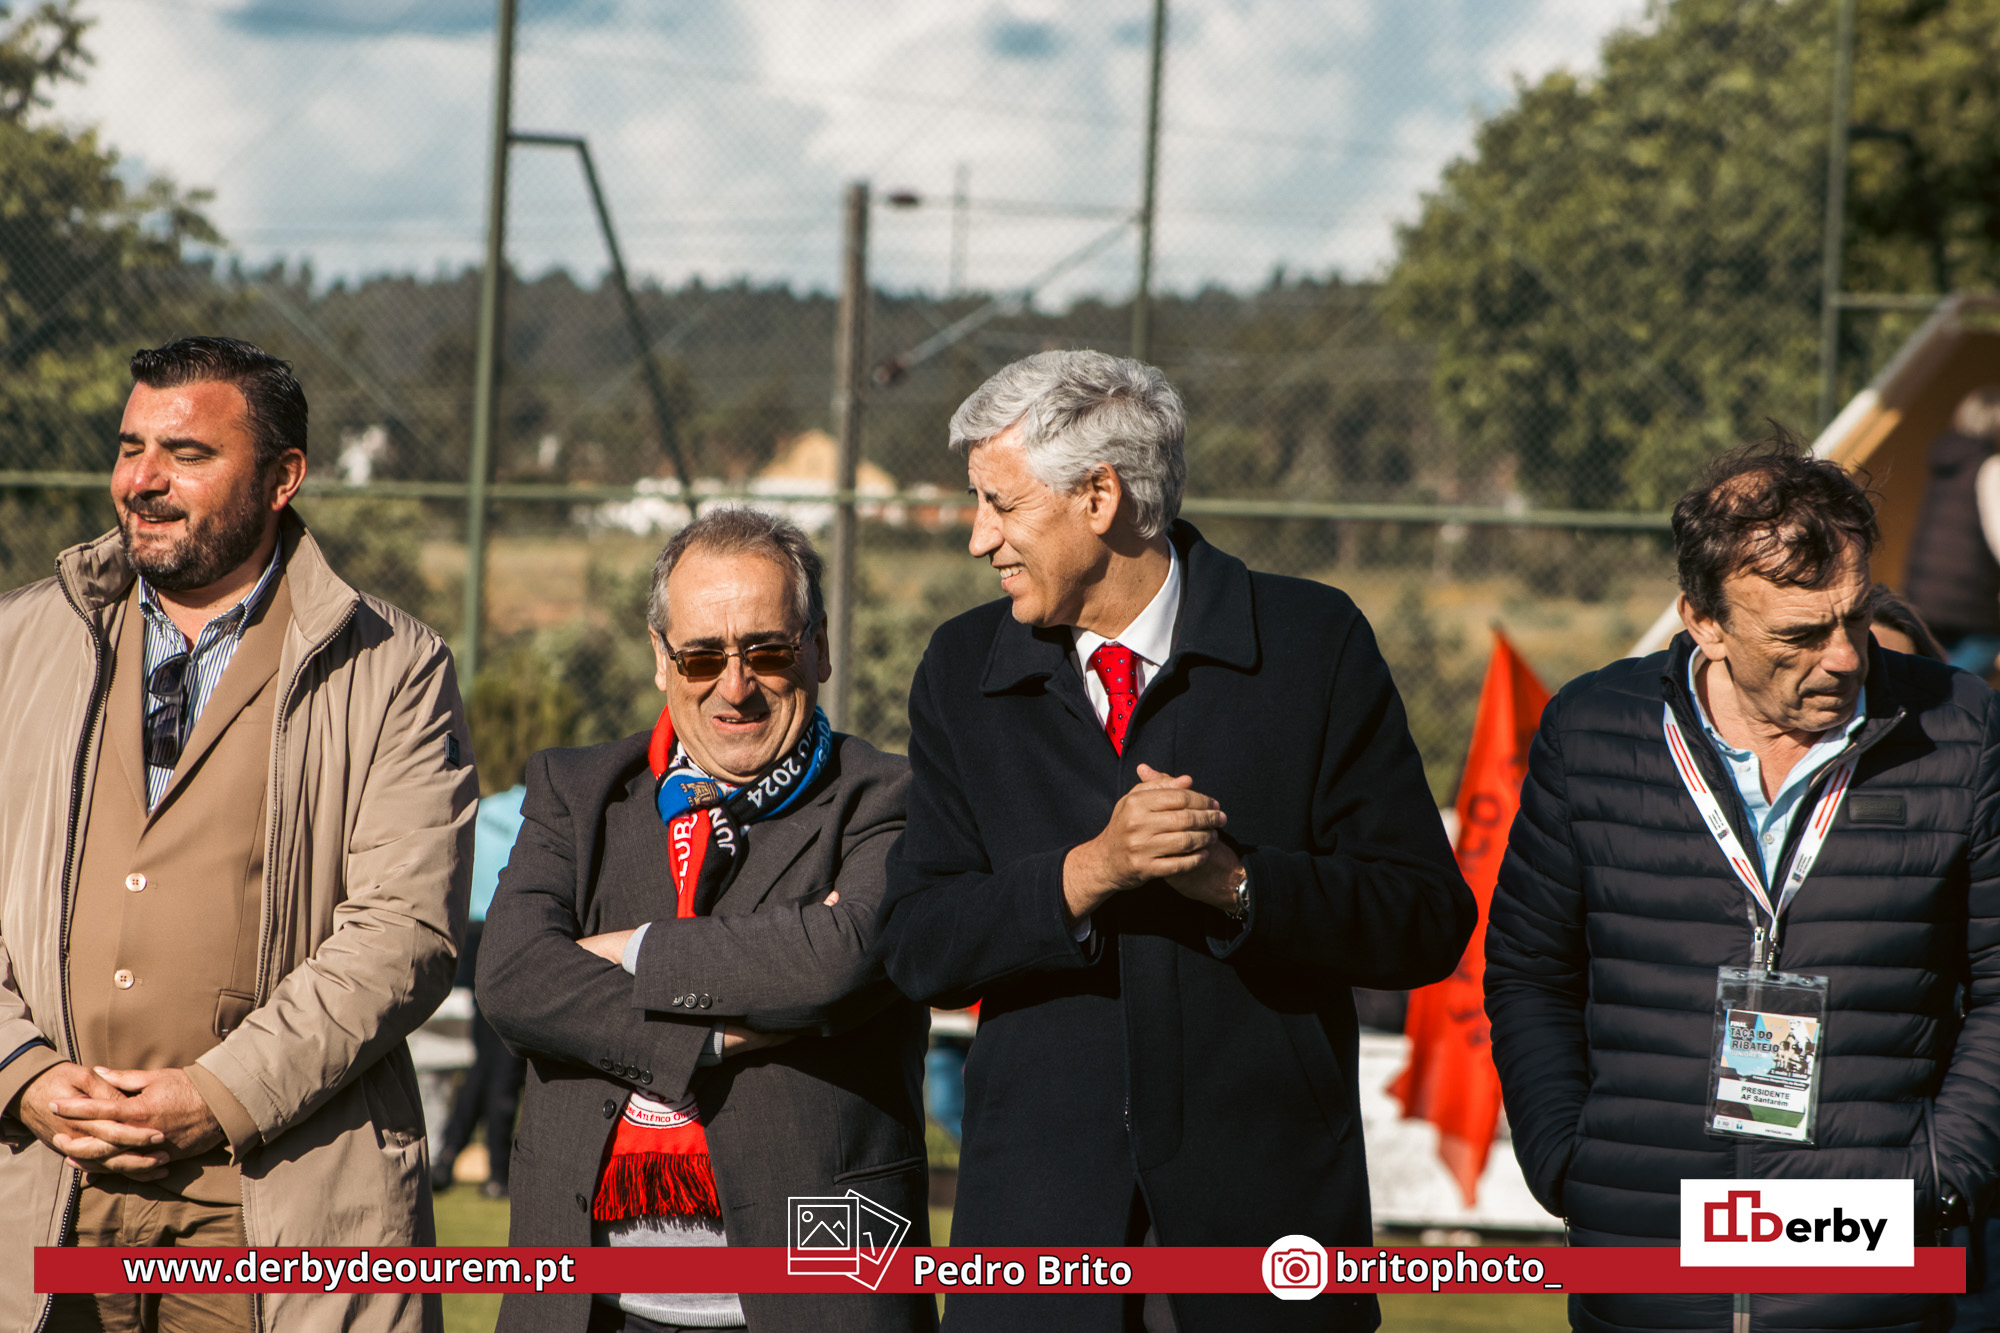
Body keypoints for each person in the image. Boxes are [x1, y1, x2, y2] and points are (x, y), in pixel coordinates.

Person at [874, 349, 1478, 1333]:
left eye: (1000, 503)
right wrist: (1086, 873)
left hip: (1266, 1234)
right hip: (1035, 1238)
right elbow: (918, 942)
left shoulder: (1310, 645)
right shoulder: (958, 668)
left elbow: (1422, 921)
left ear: (1099, 497)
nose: (979, 538)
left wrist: (1238, 886)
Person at [0, 336, 477, 1333]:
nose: (143, 479)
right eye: (131, 446)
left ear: (281, 477)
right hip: (42, 1189)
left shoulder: (393, 667)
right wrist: (22, 1074)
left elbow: (404, 930)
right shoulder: (18, 643)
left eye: (188, 453)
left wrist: (217, 1093)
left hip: (268, 1202)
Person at [1486, 430, 2000, 1333]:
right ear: (1704, 621)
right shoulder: (1596, 731)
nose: (1844, 656)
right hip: (1645, 1247)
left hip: (1867, 1255)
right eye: (1801, 635)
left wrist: (1938, 1175)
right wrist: (1570, 1159)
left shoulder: (1964, 730)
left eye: (1854, 615)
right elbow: (1532, 970)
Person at [477, 507, 933, 1333]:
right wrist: (715, 1033)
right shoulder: (578, 793)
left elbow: (839, 960)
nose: (735, 684)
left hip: (820, 1296)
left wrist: (634, 949)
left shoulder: (890, 799)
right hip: (585, 1308)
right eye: (700, 655)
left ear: (819, 647)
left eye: (767, 649)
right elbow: (512, 976)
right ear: (661, 659)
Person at [432, 783, 529, 1198]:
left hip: (470, 933)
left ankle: (449, 1156)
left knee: (484, 1060)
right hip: (511, 930)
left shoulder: (482, 810)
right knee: (506, 1061)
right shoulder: (537, 810)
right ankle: (497, 1173)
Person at [1901, 386, 2000, 677]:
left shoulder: (1945, 465)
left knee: (1931, 675)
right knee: (1960, 683)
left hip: (1923, 597)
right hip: (1972, 606)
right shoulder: (1991, 466)